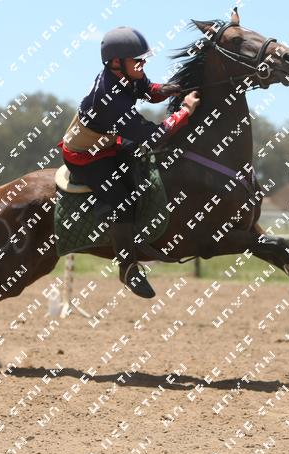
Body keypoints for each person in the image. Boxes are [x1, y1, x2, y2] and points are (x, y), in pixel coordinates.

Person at [58, 26, 201, 299]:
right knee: (122, 200)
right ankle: (127, 267)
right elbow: (154, 136)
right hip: (85, 157)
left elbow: (148, 90)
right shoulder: (110, 98)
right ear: (116, 62)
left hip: (108, 143)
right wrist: (185, 110)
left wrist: (172, 89)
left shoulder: (125, 73)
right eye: (138, 61)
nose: (143, 65)